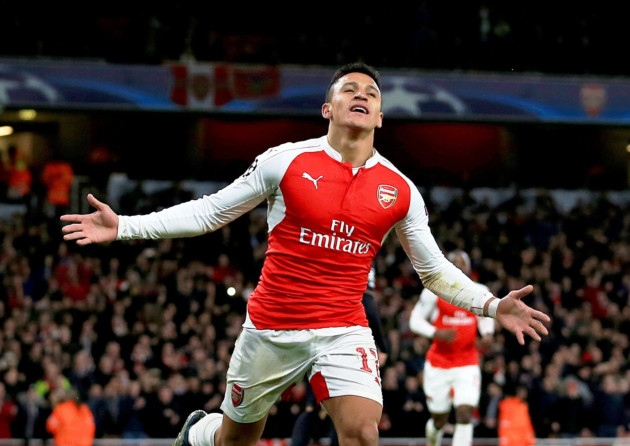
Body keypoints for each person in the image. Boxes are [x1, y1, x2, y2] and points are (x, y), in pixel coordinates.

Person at [59, 62, 550, 446]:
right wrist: (124, 226)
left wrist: (489, 304)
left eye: (371, 93)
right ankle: (199, 432)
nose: (361, 95)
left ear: (380, 116)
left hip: (344, 327)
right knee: (234, 439)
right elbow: (211, 213)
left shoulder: (400, 190)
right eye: (349, 90)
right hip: (272, 327)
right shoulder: (285, 161)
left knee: (361, 432)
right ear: (327, 109)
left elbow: (434, 269)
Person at [409, 249, 495, 446]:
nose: (458, 266)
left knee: (465, 413)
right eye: (453, 262)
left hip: (467, 362)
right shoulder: (435, 289)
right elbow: (415, 320)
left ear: (468, 267)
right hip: (438, 363)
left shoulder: (479, 290)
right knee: (439, 418)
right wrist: (436, 333)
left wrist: (488, 335)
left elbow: (486, 318)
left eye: (461, 263)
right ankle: (433, 440)